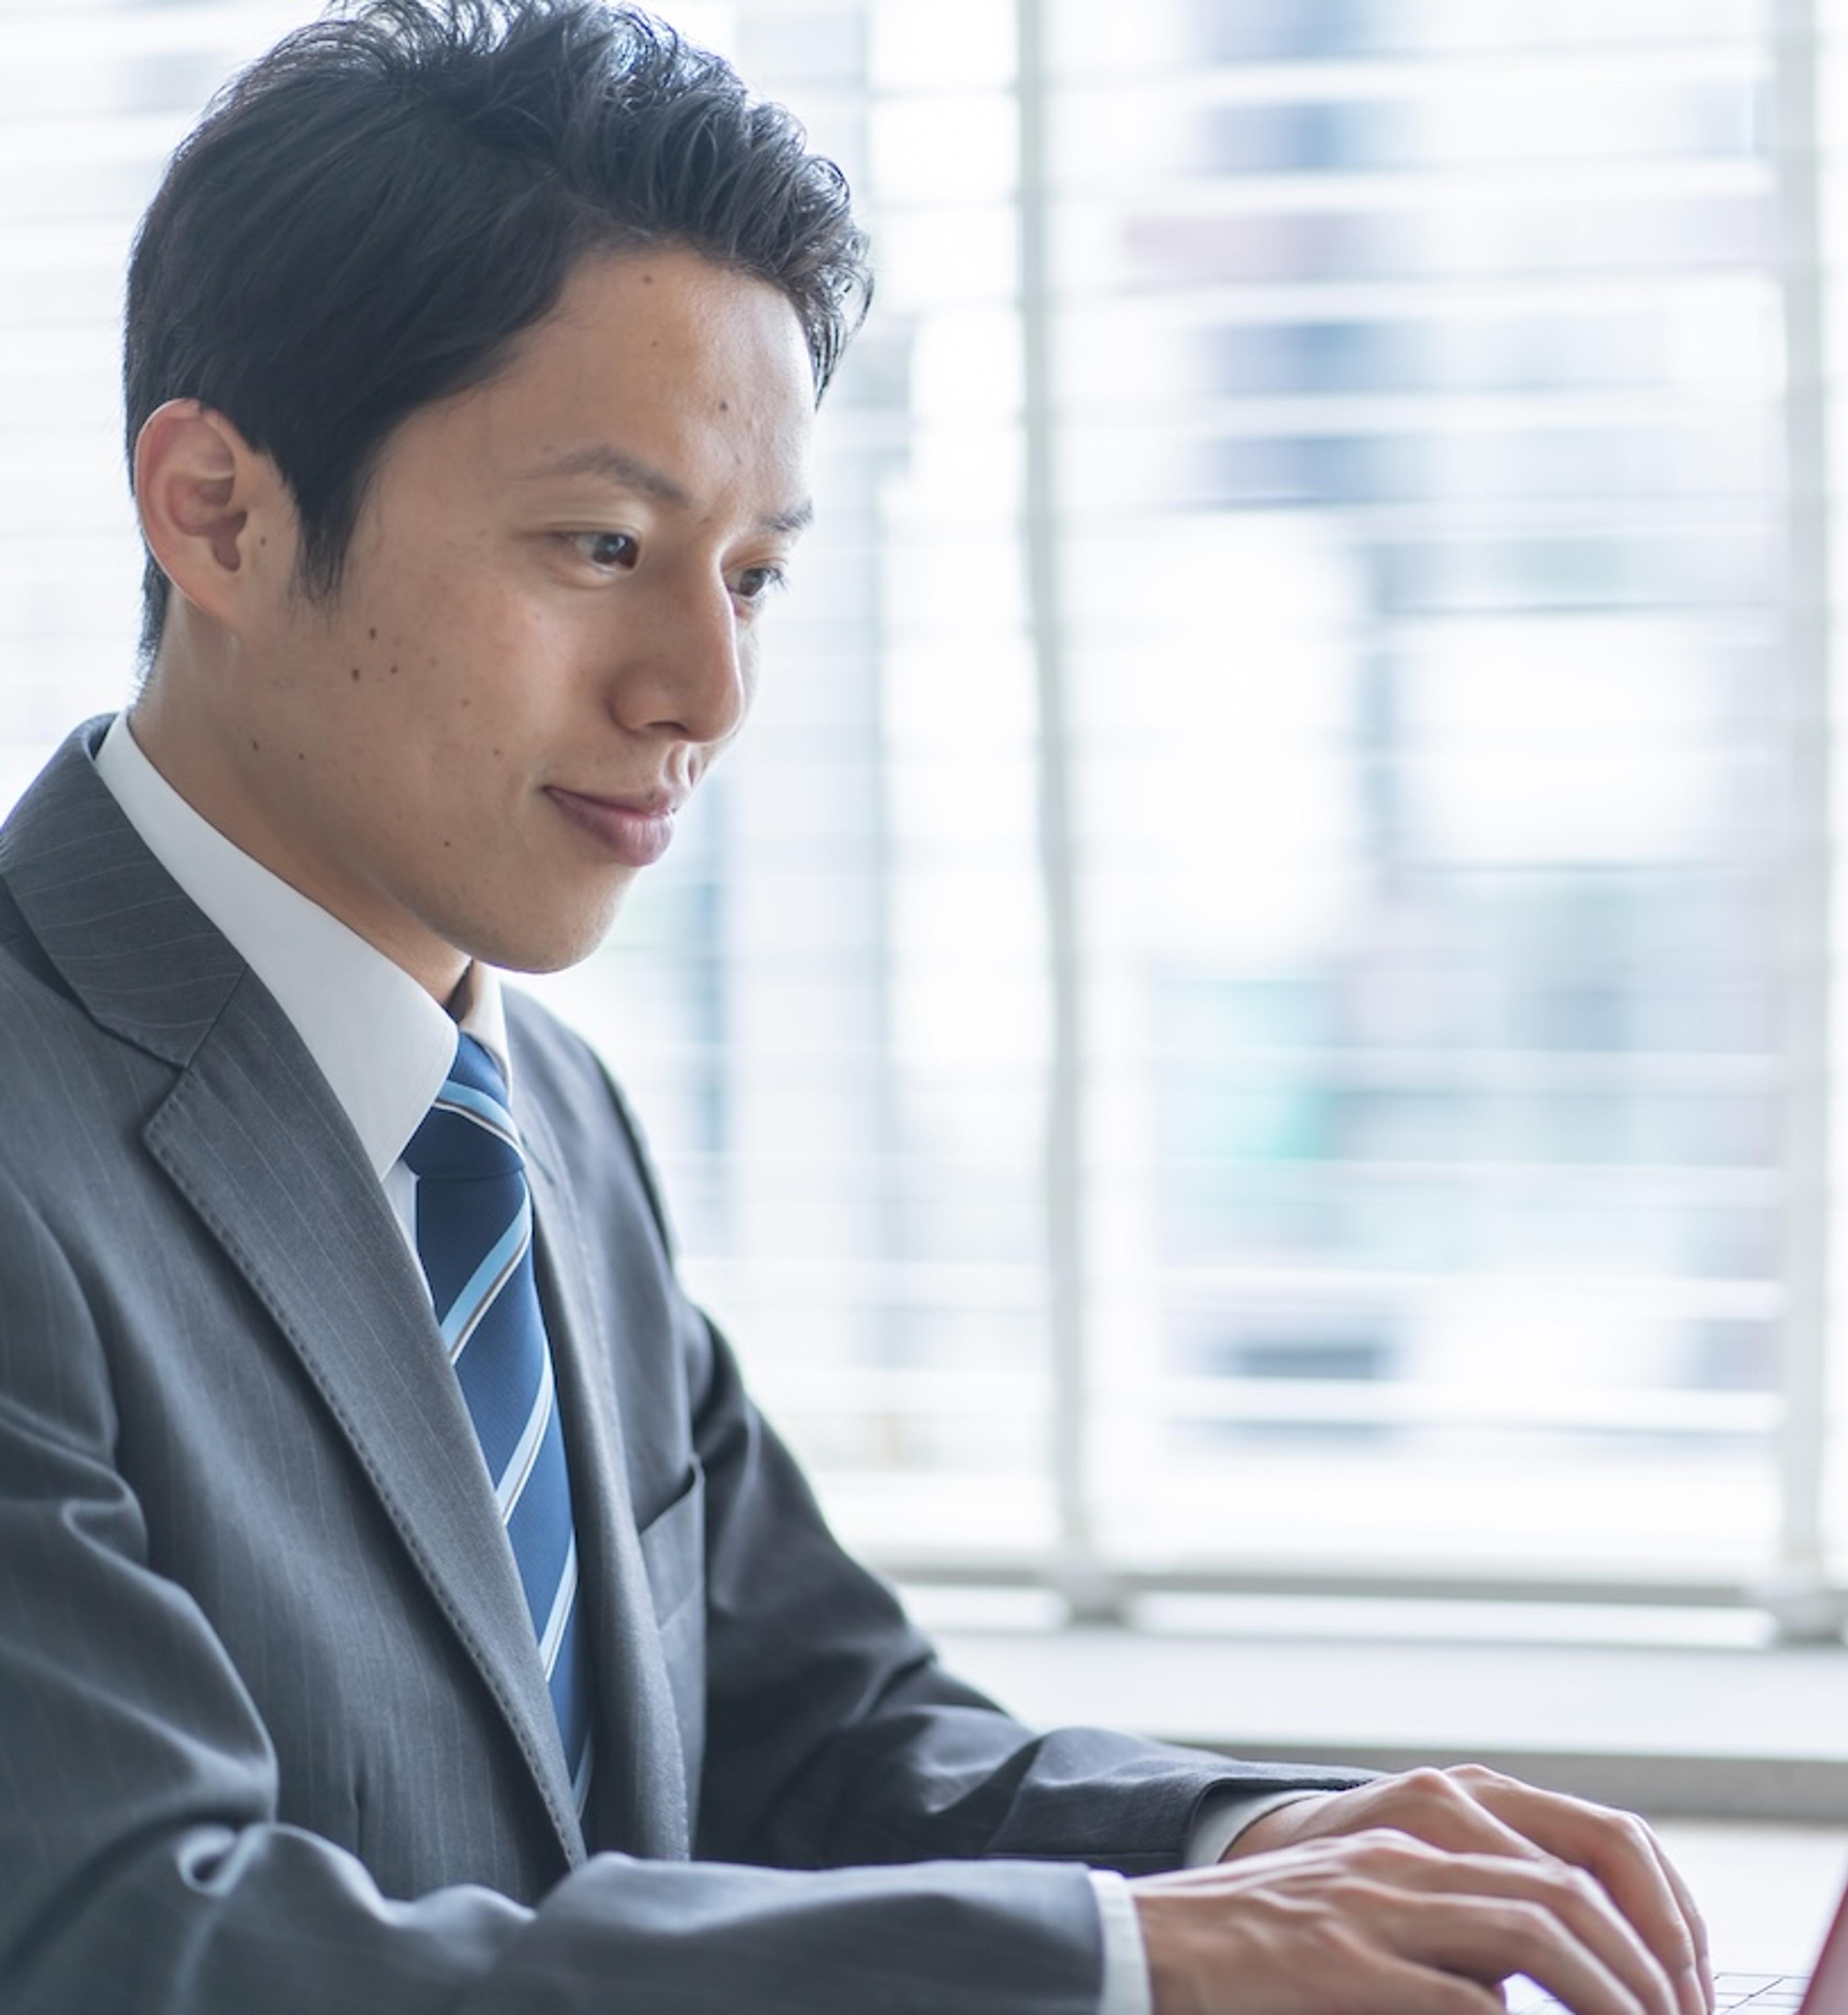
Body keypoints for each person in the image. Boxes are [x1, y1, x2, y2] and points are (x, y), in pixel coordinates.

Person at [0, 4, 1715, 2011]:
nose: (703, 694)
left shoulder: (535, 1118)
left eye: (750, 577)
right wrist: (1127, 1963)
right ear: (217, 509)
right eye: (606, 546)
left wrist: (1252, 1851)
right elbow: (144, 1942)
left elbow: (809, 1734)